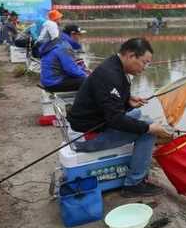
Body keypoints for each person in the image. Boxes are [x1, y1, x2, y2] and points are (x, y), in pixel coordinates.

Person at [67, 38, 173, 197]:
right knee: (148, 130)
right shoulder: (110, 75)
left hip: (92, 124)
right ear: (131, 56)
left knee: (137, 115)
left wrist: (127, 101)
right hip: (86, 136)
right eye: (144, 62)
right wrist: (149, 128)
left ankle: (139, 157)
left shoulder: (114, 65)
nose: (145, 68)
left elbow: (107, 104)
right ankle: (134, 184)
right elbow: (115, 119)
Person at [39, 25, 88, 92]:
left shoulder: (58, 42)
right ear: (72, 34)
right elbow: (71, 70)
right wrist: (87, 75)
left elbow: (71, 67)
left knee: (83, 76)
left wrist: (82, 71)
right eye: (79, 35)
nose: (80, 38)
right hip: (54, 83)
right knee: (88, 81)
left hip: (48, 80)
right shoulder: (64, 47)